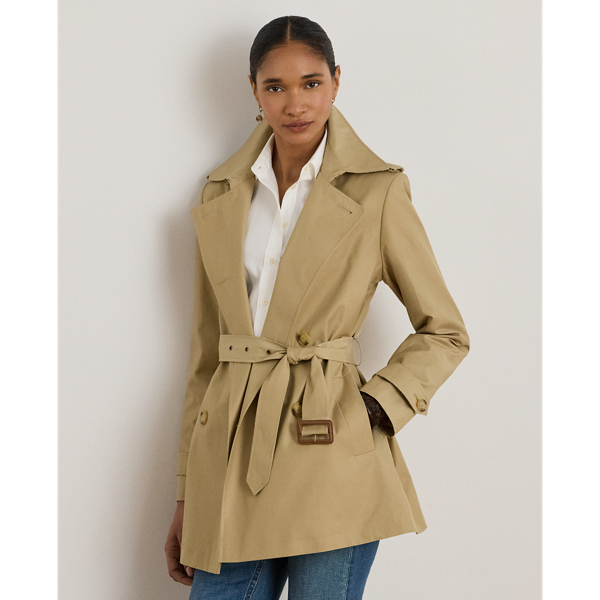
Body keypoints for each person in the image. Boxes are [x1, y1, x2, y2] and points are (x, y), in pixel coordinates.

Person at [165, 15, 470, 600]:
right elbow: (207, 356)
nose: (295, 103)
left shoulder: (377, 190)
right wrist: (187, 492)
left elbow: (445, 330)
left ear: (336, 81)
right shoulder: (221, 193)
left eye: (311, 83)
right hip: (231, 457)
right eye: (275, 86)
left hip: (329, 451)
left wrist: (378, 405)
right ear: (254, 91)